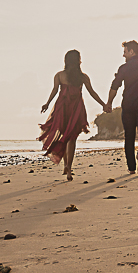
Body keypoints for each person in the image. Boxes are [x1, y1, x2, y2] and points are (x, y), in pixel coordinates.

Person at [39, 50, 107, 181]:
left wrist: (47, 104)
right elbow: (92, 92)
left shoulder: (59, 75)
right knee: (72, 138)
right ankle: (68, 167)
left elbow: (54, 91)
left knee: (64, 135)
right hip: (76, 108)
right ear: (78, 61)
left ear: (66, 61)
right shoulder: (83, 77)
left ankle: (66, 166)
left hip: (62, 108)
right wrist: (103, 104)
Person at [103, 40, 138, 175]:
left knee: (129, 136)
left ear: (132, 52)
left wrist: (109, 103)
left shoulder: (124, 68)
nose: (123, 55)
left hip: (128, 106)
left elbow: (114, 86)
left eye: (125, 52)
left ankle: (131, 168)